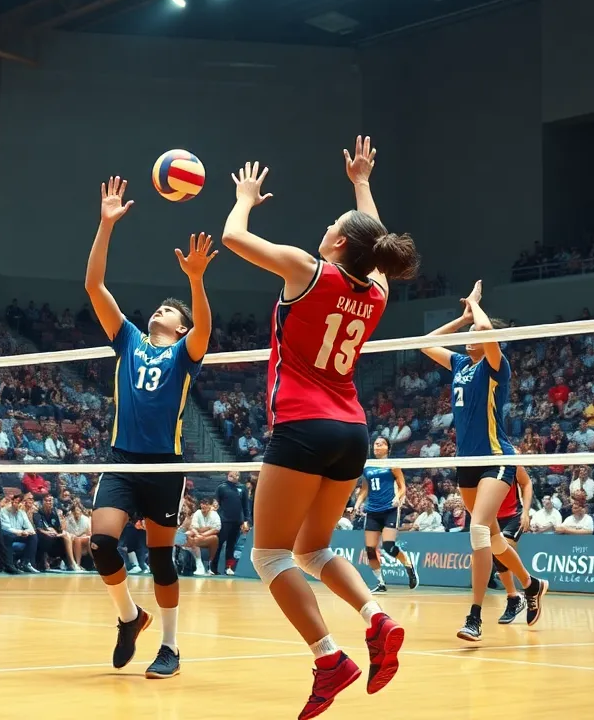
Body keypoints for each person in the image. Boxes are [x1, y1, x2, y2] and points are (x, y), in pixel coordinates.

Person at [221, 138, 413, 718]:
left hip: (304, 425)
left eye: (333, 224)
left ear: (338, 243)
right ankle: (376, 616)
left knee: (269, 555)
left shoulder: (307, 269)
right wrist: (361, 183)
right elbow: (374, 245)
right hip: (352, 429)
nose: (326, 227)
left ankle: (329, 658)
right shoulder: (376, 293)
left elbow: (232, 237)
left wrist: (244, 197)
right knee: (314, 548)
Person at [84, 175, 216, 680]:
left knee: (162, 559)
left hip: (164, 465)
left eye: (169, 311)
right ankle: (129, 617)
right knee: (101, 544)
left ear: (180, 327)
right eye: (158, 307)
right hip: (122, 458)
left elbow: (204, 329)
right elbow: (95, 286)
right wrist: (106, 225)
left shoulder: (185, 352)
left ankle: (170, 647)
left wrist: (196, 280)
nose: (159, 310)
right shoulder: (128, 340)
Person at [420, 280, 547, 642]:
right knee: (492, 538)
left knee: (477, 530)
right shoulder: (460, 362)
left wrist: (476, 303)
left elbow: (487, 328)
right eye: (469, 332)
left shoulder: (496, 366)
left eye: (475, 332)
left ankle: (474, 616)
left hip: (496, 457)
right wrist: (463, 319)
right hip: (467, 461)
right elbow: (424, 343)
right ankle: (531, 584)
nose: (470, 336)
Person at [356, 437, 419, 594]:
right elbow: (365, 489)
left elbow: (402, 486)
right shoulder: (368, 466)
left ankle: (408, 564)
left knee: (389, 547)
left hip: (389, 509)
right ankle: (381, 583)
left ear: (388, 448)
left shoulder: (392, 464)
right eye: (376, 444)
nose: (377, 446)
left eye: (381, 444)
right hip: (372, 511)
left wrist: (397, 497)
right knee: (370, 550)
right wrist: (358, 503)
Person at [489, 465, 533, 625]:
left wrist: (526, 512)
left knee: (501, 547)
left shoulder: (510, 459)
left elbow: (526, 483)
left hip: (514, 515)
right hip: (492, 518)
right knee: (498, 556)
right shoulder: (481, 462)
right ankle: (515, 597)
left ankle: (527, 588)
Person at [212, 470, 250, 576]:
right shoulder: (222, 487)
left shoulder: (242, 488)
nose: (235, 476)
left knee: (232, 545)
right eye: (233, 474)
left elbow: (245, 506)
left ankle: (229, 567)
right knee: (219, 544)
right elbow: (216, 503)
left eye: (237, 474)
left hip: (237, 521)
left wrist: (246, 520)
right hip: (224, 521)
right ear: (228, 474)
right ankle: (213, 568)